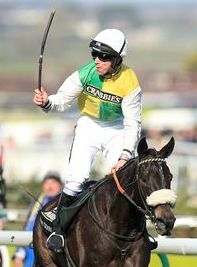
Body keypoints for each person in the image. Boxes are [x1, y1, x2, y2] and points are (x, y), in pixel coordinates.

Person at [32, 28, 141, 253]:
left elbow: (133, 123)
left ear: (118, 59)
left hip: (117, 128)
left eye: (104, 57)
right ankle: (58, 232)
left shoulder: (130, 82)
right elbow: (62, 99)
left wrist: (125, 155)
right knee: (76, 180)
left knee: (127, 179)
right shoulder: (85, 73)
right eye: (95, 55)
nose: (97, 61)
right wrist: (47, 102)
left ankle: (140, 233)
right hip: (89, 125)